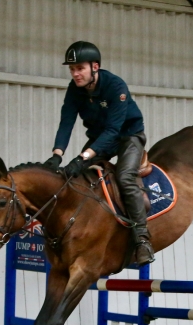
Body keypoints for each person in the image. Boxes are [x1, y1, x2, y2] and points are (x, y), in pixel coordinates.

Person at [41, 41, 154, 266]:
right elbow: (66, 122)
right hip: (100, 137)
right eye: (72, 69)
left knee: (125, 177)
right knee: (71, 175)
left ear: (95, 67)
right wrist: (57, 155)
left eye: (80, 68)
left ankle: (142, 239)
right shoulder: (74, 89)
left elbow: (113, 130)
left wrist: (83, 157)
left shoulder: (115, 86)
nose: (75, 74)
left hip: (128, 136)